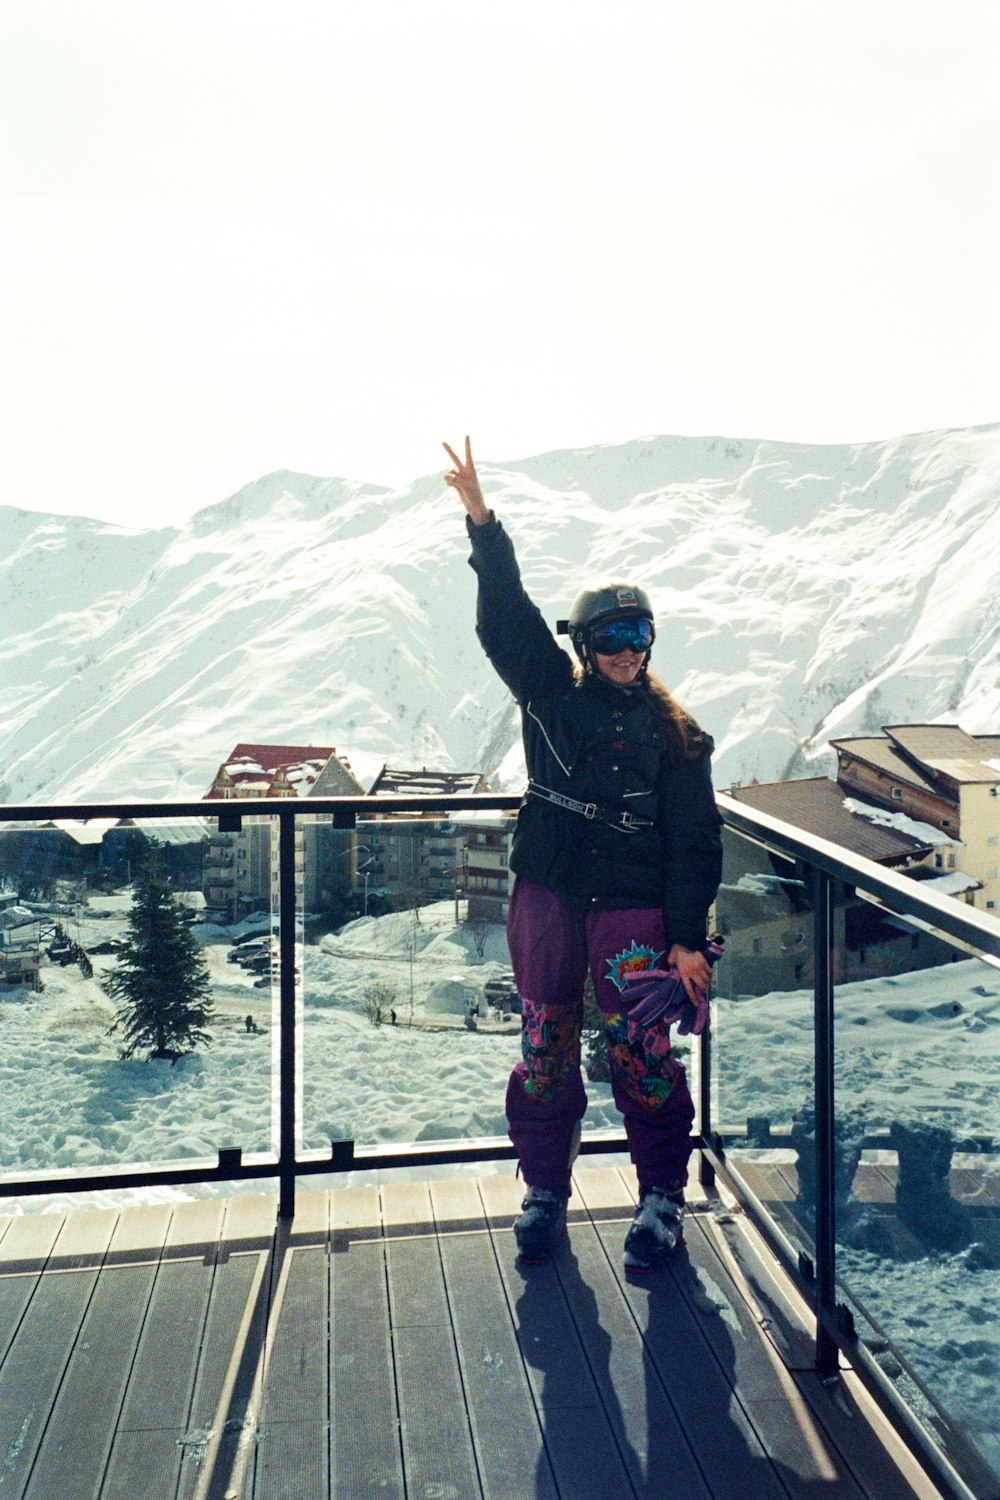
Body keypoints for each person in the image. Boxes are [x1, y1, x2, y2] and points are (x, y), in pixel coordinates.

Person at [444, 436, 723, 1270]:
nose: (628, 649)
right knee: (545, 1042)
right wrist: (483, 525)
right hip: (551, 895)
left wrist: (683, 936)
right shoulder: (549, 695)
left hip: (636, 908)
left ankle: (661, 1197)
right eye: (611, 636)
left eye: (639, 633)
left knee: (643, 1051)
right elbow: (505, 621)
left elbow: (695, 843)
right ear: (584, 645)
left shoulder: (678, 736)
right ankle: (543, 1191)